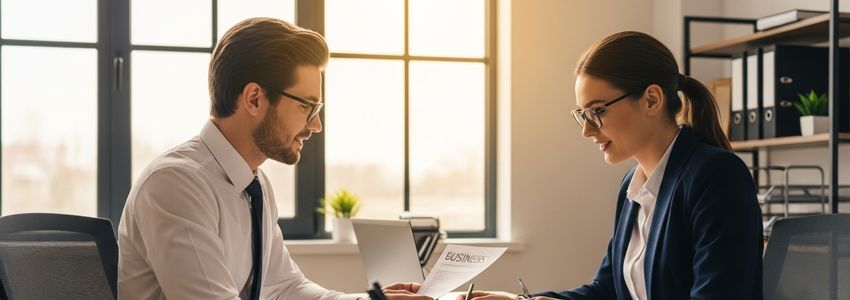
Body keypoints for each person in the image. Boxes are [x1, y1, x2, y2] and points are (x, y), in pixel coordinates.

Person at [118, 17, 430, 300]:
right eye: (307, 107)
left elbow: (284, 287)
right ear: (254, 99)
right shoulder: (177, 184)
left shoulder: (254, 183)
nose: (316, 125)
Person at [464, 31, 763, 300]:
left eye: (597, 111)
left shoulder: (716, 176)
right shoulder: (632, 187)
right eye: (582, 115)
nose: (587, 130)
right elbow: (607, 290)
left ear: (651, 100)